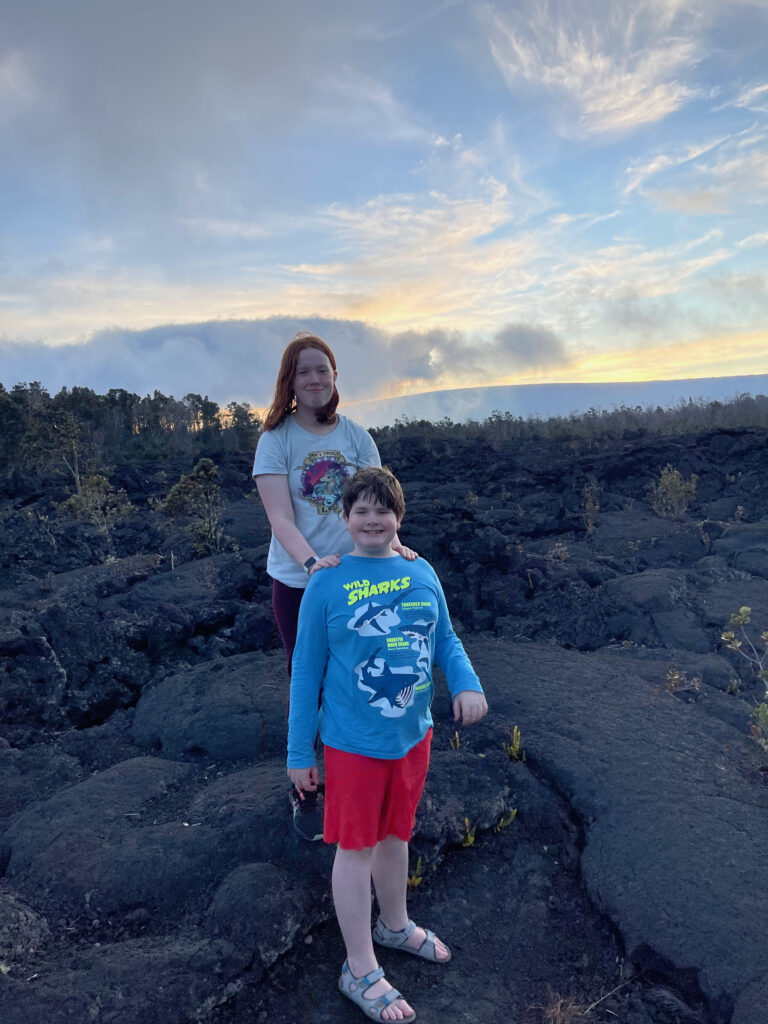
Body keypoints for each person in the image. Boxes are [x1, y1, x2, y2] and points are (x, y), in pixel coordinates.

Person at [288, 467, 488, 1021]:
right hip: (353, 744)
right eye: (361, 510)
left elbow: (444, 636)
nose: (372, 519)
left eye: (383, 510)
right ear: (346, 518)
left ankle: (394, 924)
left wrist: (467, 682)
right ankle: (359, 967)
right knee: (354, 848)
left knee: (397, 832)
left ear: (399, 518)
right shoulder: (327, 582)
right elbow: (306, 670)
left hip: (412, 736)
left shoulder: (420, 570)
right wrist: (299, 753)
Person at [252, 332, 416, 839]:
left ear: (335, 375)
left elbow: (378, 504)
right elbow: (279, 516)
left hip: (360, 582)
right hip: (301, 582)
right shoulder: (276, 439)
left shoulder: (357, 438)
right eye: (304, 371)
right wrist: (313, 564)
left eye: (322, 369)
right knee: (309, 678)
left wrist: (396, 551)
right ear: (291, 381)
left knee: (360, 676)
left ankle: (357, 778)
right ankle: (305, 778)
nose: (315, 379)